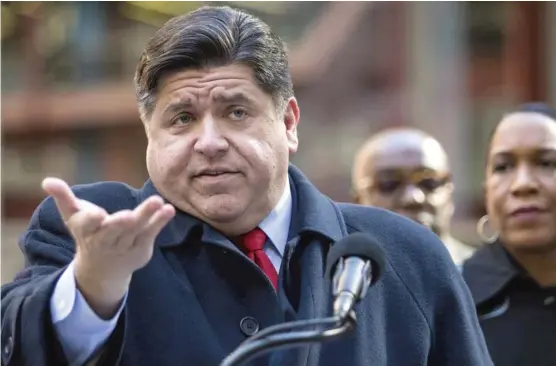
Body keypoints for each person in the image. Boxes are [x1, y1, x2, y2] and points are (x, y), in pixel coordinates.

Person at [1, 6, 492, 366]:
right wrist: (93, 289)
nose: (209, 143)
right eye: (182, 118)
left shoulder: (401, 256)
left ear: (289, 123)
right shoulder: (95, 230)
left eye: (236, 112)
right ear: (149, 132)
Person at [462, 103, 556, 366]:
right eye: (503, 167)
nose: (523, 184)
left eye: (547, 163)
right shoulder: (453, 300)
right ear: (486, 190)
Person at [352, 127, 475, 265]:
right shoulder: (340, 283)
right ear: (358, 202)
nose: (413, 197)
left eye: (429, 182)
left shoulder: (488, 280)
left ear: (449, 192)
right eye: (389, 183)